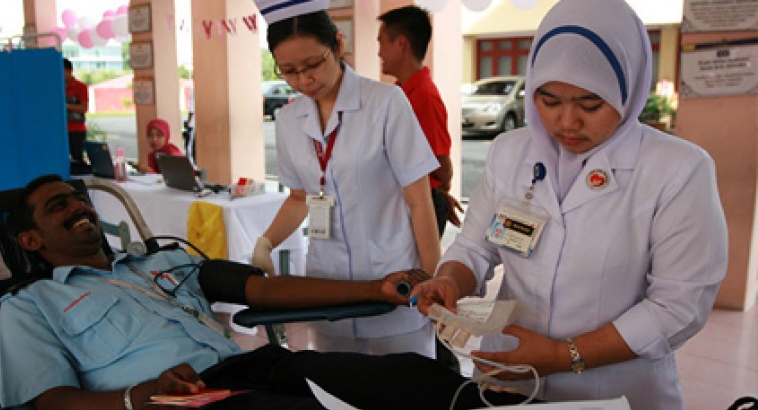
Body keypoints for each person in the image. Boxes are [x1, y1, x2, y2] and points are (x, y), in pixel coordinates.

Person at [413, 0, 728, 408]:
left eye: (589, 104)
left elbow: (677, 307)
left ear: (627, 88)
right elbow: (475, 246)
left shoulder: (678, 171)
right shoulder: (511, 153)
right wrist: (451, 281)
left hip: (613, 391)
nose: (566, 122)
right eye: (548, 100)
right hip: (510, 379)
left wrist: (564, 356)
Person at [0, 174, 530, 409]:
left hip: (257, 367)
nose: (79, 208)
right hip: (179, 401)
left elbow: (260, 289)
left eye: (78, 200)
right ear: (31, 239)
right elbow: (50, 401)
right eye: (59, 207)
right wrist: (137, 399)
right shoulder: (29, 308)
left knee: (407, 379)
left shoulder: (162, 263)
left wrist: (379, 286)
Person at [249, 1, 441, 358]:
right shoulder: (289, 119)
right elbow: (299, 198)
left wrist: (432, 279)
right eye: (289, 71)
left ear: (338, 45)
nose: (304, 80)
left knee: (406, 391)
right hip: (329, 292)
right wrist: (266, 242)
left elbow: (419, 200)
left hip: (395, 279)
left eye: (313, 65)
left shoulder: (385, 102)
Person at [377, 5, 463, 238]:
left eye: (381, 42)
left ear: (401, 44)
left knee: (419, 273)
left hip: (423, 202)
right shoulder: (399, 92)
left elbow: (441, 163)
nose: (379, 52)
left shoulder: (423, 96)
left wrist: (439, 195)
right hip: (408, 199)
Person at [63, 58, 89, 165]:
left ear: (69, 71)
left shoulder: (80, 87)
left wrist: (66, 106)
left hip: (77, 130)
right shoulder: (55, 87)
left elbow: (84, 108)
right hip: (60, 131)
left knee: (77, 160)